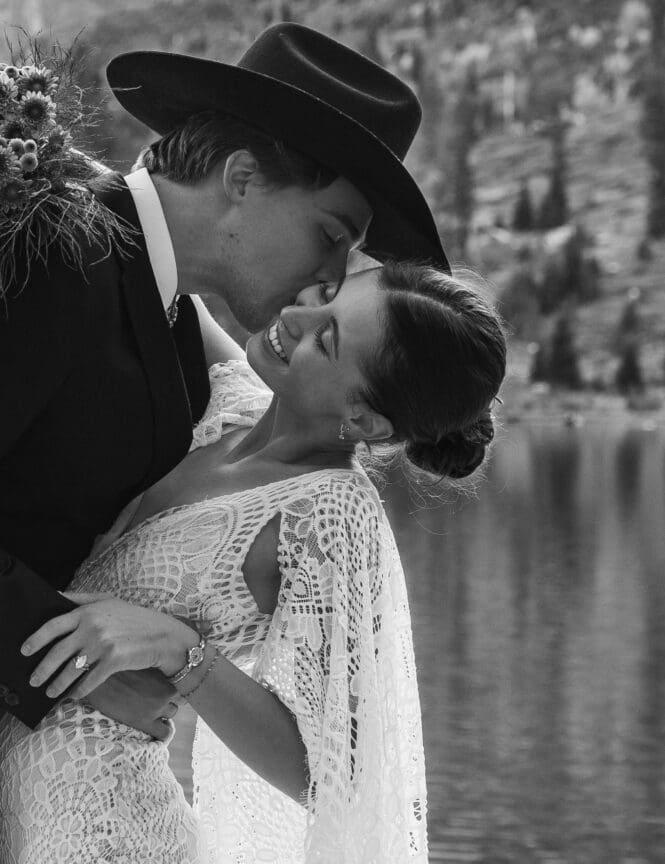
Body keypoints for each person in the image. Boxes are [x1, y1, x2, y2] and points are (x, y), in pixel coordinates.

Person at [0, 23, 449, 734]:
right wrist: (71, 674)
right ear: (241, 179)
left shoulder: (174, 318)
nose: (331, 278)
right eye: (331, 235)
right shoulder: (61, 255)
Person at [0, 260, 507, 863]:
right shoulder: (235, 396)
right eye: (326, 292)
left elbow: (331, 772)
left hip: (102, 829)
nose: (295, 318)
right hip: (22, 785)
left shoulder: (329, 512)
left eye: (327, 338)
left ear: (364, 420)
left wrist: (178, 650)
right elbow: (151, 264)